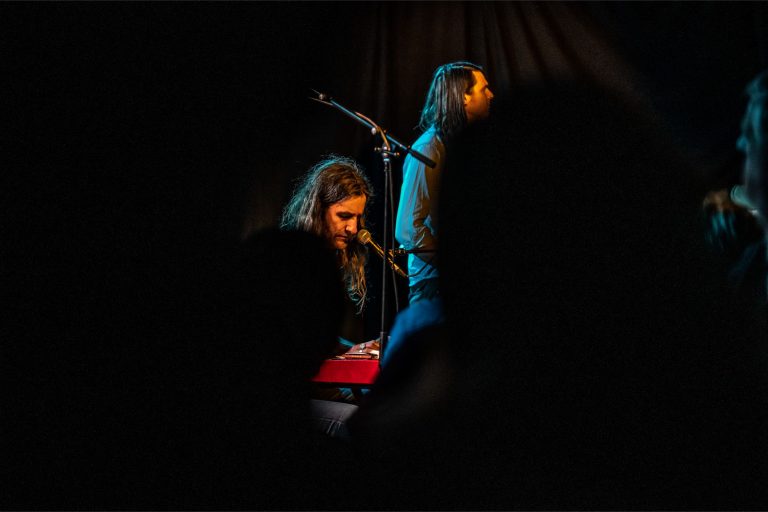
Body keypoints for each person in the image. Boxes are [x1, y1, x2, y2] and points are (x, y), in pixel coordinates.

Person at [395, 61, 494, 304]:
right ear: (464, 98)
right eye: (484, 89)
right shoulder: (428, 148)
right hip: (434, 286)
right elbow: (407, 227)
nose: (491, 94)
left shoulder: (462, 146)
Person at [280, 155, 379, 355]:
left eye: (358, 218)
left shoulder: (330, 258)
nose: (353, 228)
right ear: (319, 210)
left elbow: (318, 335)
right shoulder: (292, 261)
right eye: (344, 216)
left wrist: (353, 350)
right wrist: (349, 352)